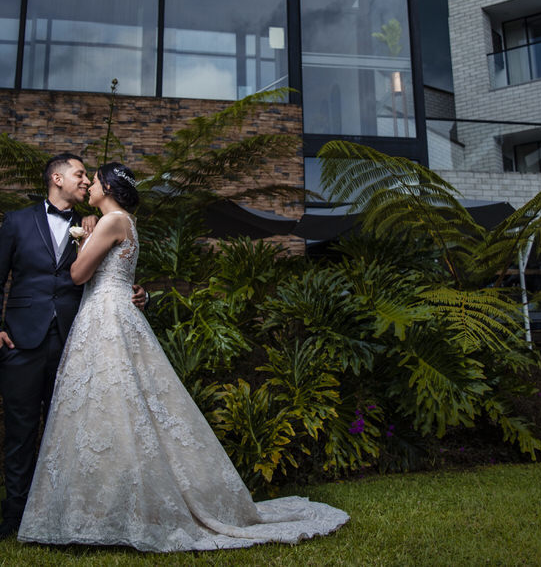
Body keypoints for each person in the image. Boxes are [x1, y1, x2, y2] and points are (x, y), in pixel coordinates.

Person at [17, 162, 348, 551]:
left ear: (107, 186)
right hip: (113, 313)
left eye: (94, 181)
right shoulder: (122, 221)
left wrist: (80, 240)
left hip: (105, 317)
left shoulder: (110, 222)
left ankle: (107, 513)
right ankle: (105, 510)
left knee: (110, 406)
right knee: (116, 407)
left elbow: (77, 276)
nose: (88, 186)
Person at [0, 153, 146, 542]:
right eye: (79, 175)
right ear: (56, 178)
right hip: (21, 338)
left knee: (69, 429)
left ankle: (60, 510)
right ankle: (15, 514)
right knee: (20, 429)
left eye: (90, 179)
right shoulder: (17, 221)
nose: (86, 182)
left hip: (77, 339)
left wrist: (141, 294)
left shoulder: (94, 222)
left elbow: (115, 273)